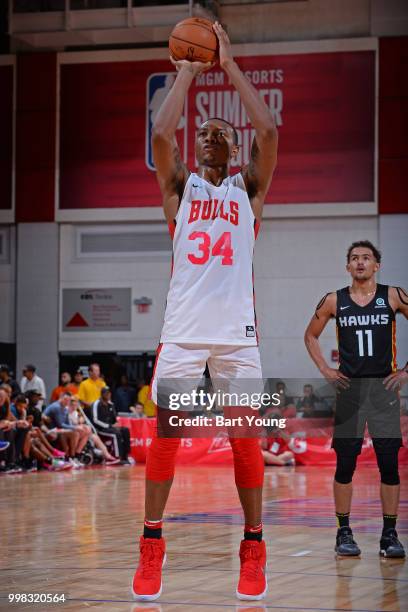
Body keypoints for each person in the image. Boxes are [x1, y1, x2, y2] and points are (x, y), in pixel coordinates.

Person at [132, 21, 278, 602]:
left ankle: (253, 546)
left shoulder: (251, 190)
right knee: (166, 436)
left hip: (238, 337)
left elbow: (266, 126)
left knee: (247, 442)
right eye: (206, 134)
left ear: (237, 150)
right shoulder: (179, 189)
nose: (211, 137)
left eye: (222, 133)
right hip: (184, 333)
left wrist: (231, 63)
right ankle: (151, 544)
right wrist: (189, 68)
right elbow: (160, 129)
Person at [304, 240, 407, 558]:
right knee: (345, 465)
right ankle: (343, 532)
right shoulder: (334, 300)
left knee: (389, 466)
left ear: (377, 265)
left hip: (384, 390)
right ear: (347, 266)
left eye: (366, 258)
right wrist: (325, 369)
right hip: (349, 391)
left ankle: (389, 535)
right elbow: (310, 335)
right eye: (354, 258)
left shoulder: (393, 295)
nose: (360, 262)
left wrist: (406, 371)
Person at [42, 392, 87, 468]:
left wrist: (77, 426)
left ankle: (72, 457)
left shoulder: (64, 408)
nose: (67, 402)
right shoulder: (56, 407)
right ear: (60, 398)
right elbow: (60, 424)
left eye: (68, 400)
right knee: (75, 433)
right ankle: (71, 458)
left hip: (58, 430)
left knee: (79, 431)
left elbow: (66, 424)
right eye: (65, 399)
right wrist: (75, 427)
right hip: (50, 430)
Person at [90, 387, 131, 464]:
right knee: (116, 434)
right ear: (102, 394)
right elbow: (95, 420)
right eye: (106, 393)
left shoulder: (111, 404)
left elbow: (114, 419)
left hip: (110, 427)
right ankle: (117, 457)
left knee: (125, 430)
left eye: (109, 393)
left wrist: (116, 425)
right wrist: (109, 426)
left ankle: (126, 456)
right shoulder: (96, 404)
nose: (108, 394)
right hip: (100, 429)